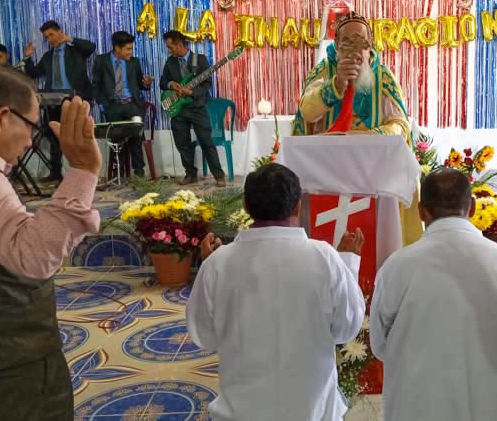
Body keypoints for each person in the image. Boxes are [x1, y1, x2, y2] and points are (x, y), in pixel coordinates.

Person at [0, 62, 102, 419]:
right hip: (5, 369)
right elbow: (33, 256)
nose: (31, 140)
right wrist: (83, 170)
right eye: (31, 126)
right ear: (1, 118)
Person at [186, 163, 366, 421]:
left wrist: (212, 265)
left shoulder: (217, 263)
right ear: (297, 207)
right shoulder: (325, 257)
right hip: (312, 412)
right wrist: (347, 262)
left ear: (245, 207)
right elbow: (345, 330)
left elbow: (204, 337)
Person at [370, 168, 497, 421]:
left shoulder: (396, 267)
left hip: (421, 404)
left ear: (421, 211)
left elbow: (380, 345)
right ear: (472, 207)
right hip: (495, 404)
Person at [293, 11, 422, 246]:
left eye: (360, 42)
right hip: (327, 166)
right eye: (347, 42)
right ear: (336, 45)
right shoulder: (323, 72)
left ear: (370, 45)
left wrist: (372, 137)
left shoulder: (383, 76)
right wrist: (336, 85)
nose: (354, 51)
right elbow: (307, 113)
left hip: (373, 165)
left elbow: (400, 124)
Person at [24, 20, 96, 183]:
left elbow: (91, 47)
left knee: (78, 135)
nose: (50, 39)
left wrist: (69, 39)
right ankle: (56, 172)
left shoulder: (76, 51)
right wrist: (28, 57)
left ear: (60, 32)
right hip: (53, 100)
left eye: (52, 34)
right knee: (54, 135)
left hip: (76, 97)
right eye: (47, 37)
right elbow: (34, 73)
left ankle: (82, 173)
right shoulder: (48, 56)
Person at [159, 30, 226, 187]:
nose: (169, 50)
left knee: (206, 141)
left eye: (170, 47)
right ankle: (190, 174)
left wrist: (192, 92)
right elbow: (163, 82)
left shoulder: (200, 59)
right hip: (178, 109)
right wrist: (171, 84)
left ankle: (219, 176)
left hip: (197, 107)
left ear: (179, 45)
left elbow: (207, 83)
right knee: (182, 143)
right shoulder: (170, 62)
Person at [92, 31, 154, 177]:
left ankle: (139, 173)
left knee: (136, 140)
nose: (130, 52)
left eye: (131, 48)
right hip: (113, 107)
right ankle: (118, 174)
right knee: (117, 141)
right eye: (128, 49)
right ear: (117, 48)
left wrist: (147, 84)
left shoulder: (134, 62)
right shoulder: (101, 61)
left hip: (132, 105)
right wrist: (103, 105)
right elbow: (96, 85)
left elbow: (140, 84)